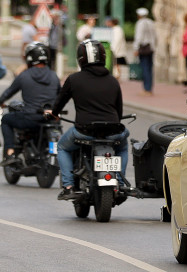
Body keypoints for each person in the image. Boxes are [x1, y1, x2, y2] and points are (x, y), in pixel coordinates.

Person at [52, 39, 129, 200]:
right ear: (103, 57)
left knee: (62, 147)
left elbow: (59, 103)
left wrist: (54, 113)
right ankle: (121, 183)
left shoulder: (74, 79)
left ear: (80, 59)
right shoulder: (113, 81)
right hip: (112, 131)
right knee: (122, 146)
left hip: (84, 131)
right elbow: (119, 111)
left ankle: (68, 186)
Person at [0, 42, 61, 166]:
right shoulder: (54, 76)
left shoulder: (24, 75)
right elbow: (61, 96)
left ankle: (10, 153)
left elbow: (9, 92)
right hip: (51, 119)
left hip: (30, 118)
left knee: (6, 119)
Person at [133, 7, 157, 95]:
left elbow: (138, 37)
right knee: (150, 68)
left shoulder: (140, 23)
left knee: (145, 68)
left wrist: (136, 48)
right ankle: (149, 88)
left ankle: (146, 88)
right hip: (150, 48)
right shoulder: (151, 22)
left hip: (143, 48)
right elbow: (155, 36)